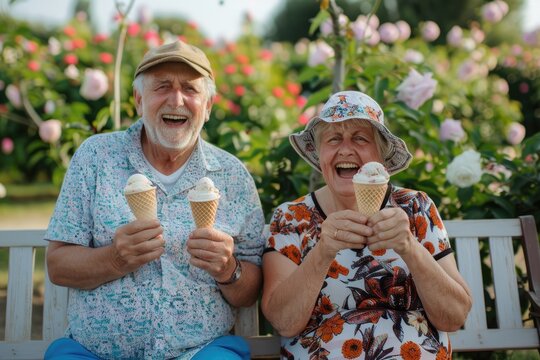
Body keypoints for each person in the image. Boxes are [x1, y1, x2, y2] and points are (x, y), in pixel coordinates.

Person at [44, 40, 265, 359]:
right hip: (94, 350)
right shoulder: (96, 157)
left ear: (208, 106)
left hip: (199, 350)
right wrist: (114, 259)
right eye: (162, 86)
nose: (176, 99)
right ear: (138, 99)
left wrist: (228, 269)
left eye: (190, 89)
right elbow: (58, 266)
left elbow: (250, 290)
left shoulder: (232, 175)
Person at [261, 91, 472, 359]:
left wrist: (409, 246)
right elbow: (283, 322)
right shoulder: (291, 218)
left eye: (360, 139)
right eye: (333, 139)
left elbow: (454, 317)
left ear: (381, 155)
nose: (345, 149)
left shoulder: (415, 207)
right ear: (320, 154)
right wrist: (323, 250)